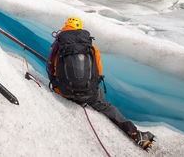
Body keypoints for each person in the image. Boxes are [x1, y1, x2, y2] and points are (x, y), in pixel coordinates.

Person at [46, 17, 155, 150]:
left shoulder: (58, 44)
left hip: (64, 92)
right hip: (88, 93)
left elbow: (50, 67)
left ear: (65, 27)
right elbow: (97, 71)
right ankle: (135, 134)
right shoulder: (90, 47)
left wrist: (57, 85)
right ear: (80, 28)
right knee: (106, 107)